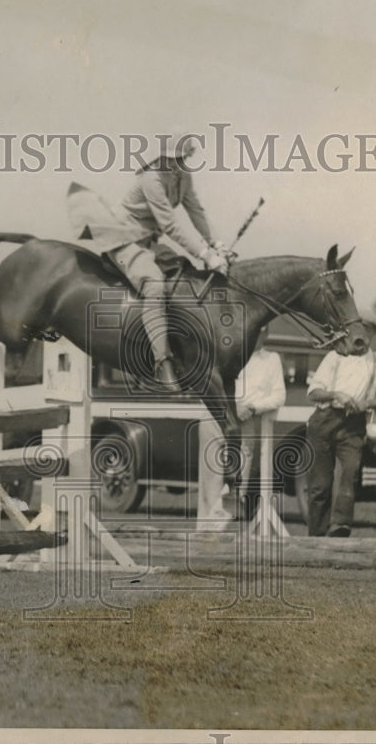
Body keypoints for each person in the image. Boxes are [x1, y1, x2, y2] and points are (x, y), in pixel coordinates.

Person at [67, 133, 231, 391]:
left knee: (182, 274)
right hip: (122, 238)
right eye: (179, 158)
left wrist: (217, 244)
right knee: (154, 284)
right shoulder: (151, 177)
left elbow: (196, 210)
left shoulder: (183, 176)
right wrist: (206, 255)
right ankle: (161, 362)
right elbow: (170, 225)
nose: (184, 163)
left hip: (147, 239)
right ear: (166, 157)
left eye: (186, 158)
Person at [305, 310, 376, 537]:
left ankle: (339, 526)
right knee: (320, 484)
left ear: (374, 333)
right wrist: (336, 394)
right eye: (359, 327)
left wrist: (366, 404)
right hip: (325, 420)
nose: (362, 333)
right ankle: (316, 535)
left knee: (350, 472)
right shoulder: (336, 355)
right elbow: (313, 392)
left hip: (353, 424)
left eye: (368, 329)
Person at [197, 327, 286, 530]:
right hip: (215, 416)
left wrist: (253, 406)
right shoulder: (225, 352)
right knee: (209, 486)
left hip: (244, 423)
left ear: (266, 334)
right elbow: (207, 383)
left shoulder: (271, 360)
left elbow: (279, 396)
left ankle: (217, 536)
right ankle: (205, 537)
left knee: (235, 487)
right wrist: (230, 404)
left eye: (260, 331)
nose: (254, 335)